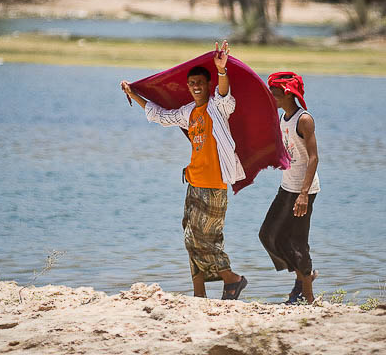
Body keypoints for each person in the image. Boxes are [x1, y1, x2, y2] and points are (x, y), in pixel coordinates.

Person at [120, 41, 248, 300]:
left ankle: (232, 279)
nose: (196, 87)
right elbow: (161, 116)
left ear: (208, 85)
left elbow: (225, 95)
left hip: (214, 184)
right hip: (193, 182)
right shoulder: (189, 112)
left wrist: (221, 70)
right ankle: (199, 293)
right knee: (190, 236)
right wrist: (133, 93)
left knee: (203, 238)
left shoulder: (217, 108)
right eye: (192, 84)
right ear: (188, 87)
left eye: (201, 82)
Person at [259, 71, 320, 304]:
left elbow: (313, 158)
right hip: (286, 186)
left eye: (273, 94)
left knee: (297, 240)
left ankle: (307, 295)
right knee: (268, 235)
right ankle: (303, 277)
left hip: (303, 190)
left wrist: (304, 194)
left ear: (286, 93)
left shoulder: (304, 120)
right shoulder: (283, 117)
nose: (270, 99)